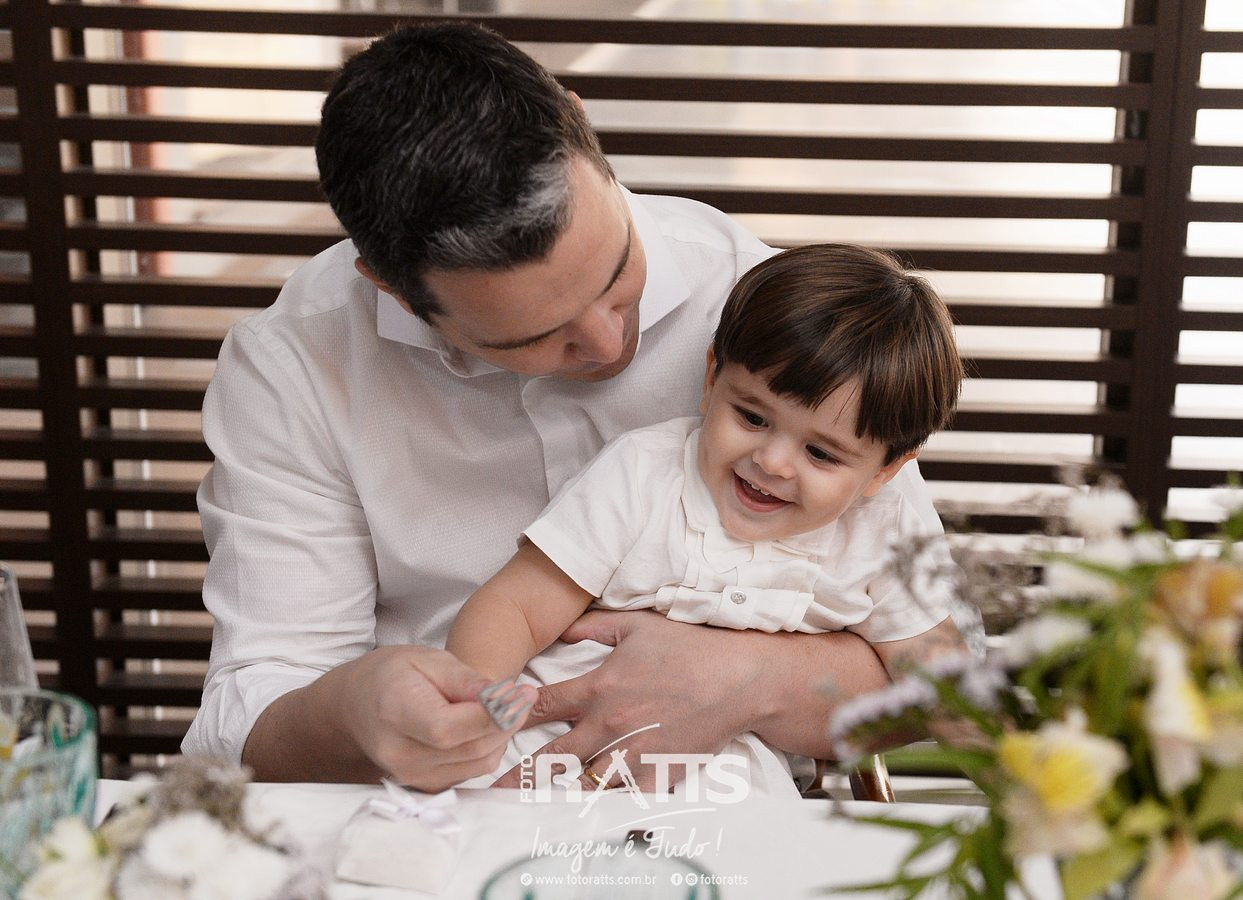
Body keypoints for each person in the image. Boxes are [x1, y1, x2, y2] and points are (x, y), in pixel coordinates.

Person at [183, 21, 973, 792]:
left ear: (580, 124)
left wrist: (747, 680)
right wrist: (359, 717)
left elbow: (941, 666)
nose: (605, 343)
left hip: (732, 799)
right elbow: (251, 714)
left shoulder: (776, 323)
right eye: (531, 337)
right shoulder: (298, 364)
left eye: (616, 276)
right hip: (460, 796)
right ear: (391, 289)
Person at [446, 244, 966, 796]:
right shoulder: (645, 473)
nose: (772, 461)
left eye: (821, 454)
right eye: (752, 417)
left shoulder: (883, 537)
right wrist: (475, 710)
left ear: (886, 469)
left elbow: (945, 687)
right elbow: (516, 607)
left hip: (735, 791)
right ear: (712, 378)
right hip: (552, 750)